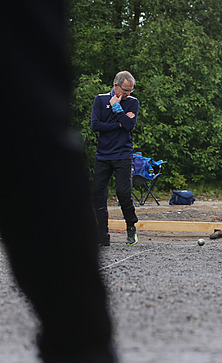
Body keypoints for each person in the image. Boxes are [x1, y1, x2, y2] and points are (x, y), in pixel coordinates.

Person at [1, 0, 117, 361]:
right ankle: (80, 341)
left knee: (27, 116)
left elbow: (126, 124)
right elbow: (102, 125)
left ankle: (80, 340)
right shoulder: (104, 100)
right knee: (28, 122)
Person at [91, 71, 140, 246]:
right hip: (103, 155)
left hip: (123, 155)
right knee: (97, 194)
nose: (128, 94)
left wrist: (117, 108)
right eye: (126, 90)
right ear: (116, 86)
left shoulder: (132, 103)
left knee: (124, 193)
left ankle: (131, 227)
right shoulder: (100, 99)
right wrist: (118, 124)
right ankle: (102, 235)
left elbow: (128, 126)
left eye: (130, 91)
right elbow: (95, 125)